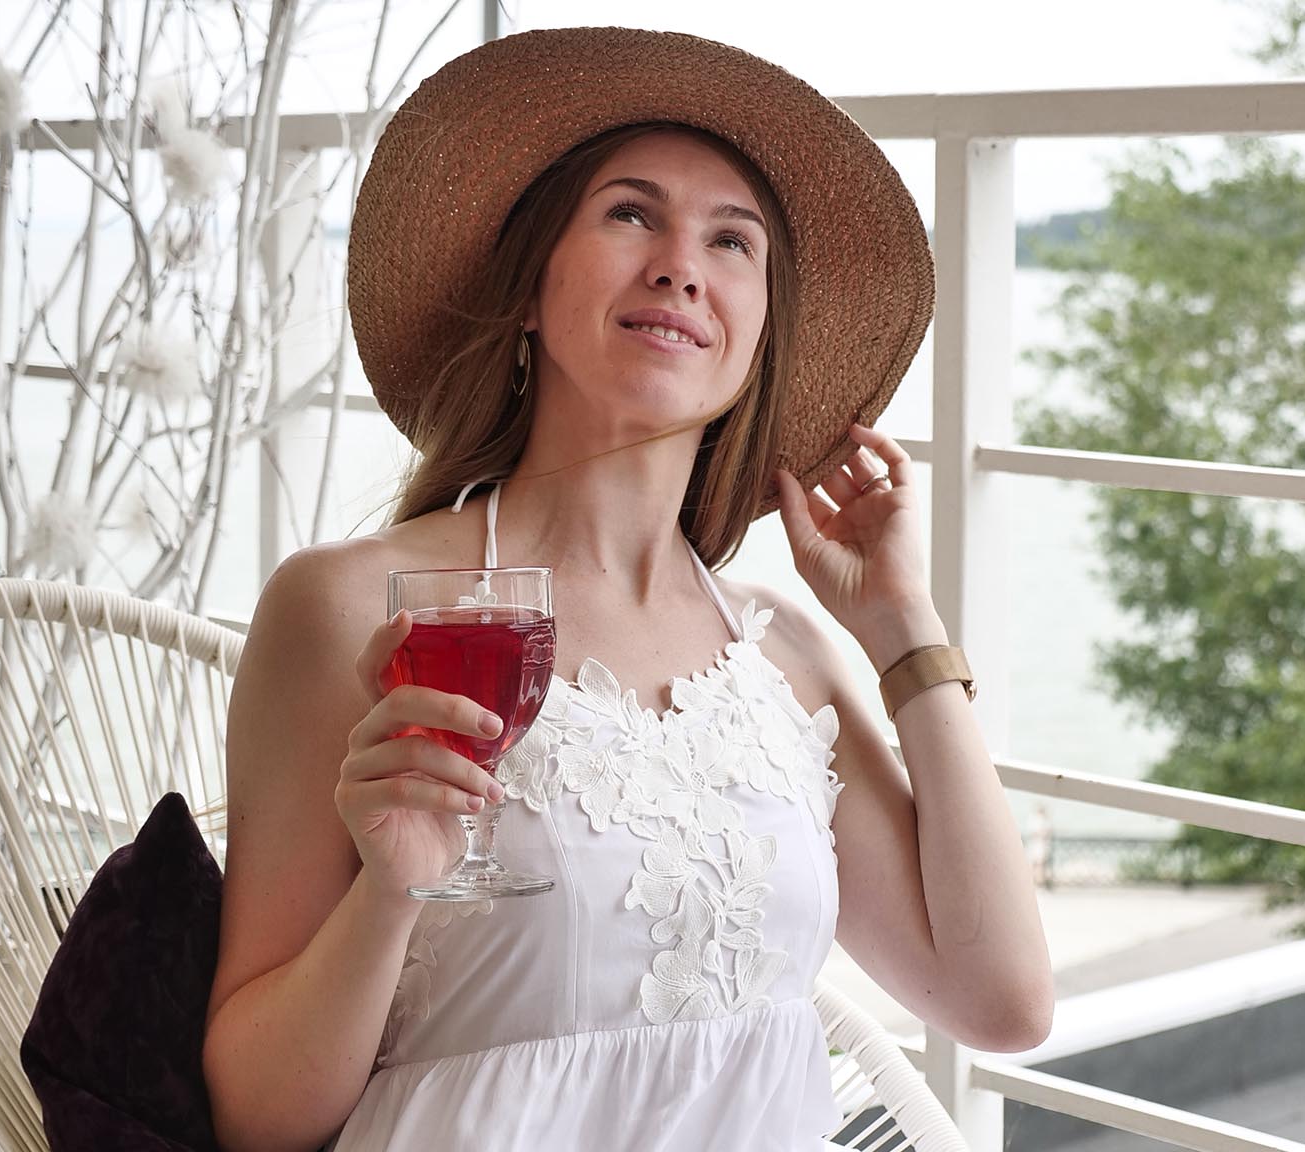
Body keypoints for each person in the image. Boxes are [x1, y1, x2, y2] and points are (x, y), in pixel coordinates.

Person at [200, 27, 1053, 1152]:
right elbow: (254, 1119)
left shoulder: (781, 660)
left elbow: (1002, 1003)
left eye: (731, 240)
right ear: (527, 290)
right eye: (629, 215)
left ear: (758, 333)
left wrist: (905, 631)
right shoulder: (356, 610)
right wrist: (390, 891)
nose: (681, 266)